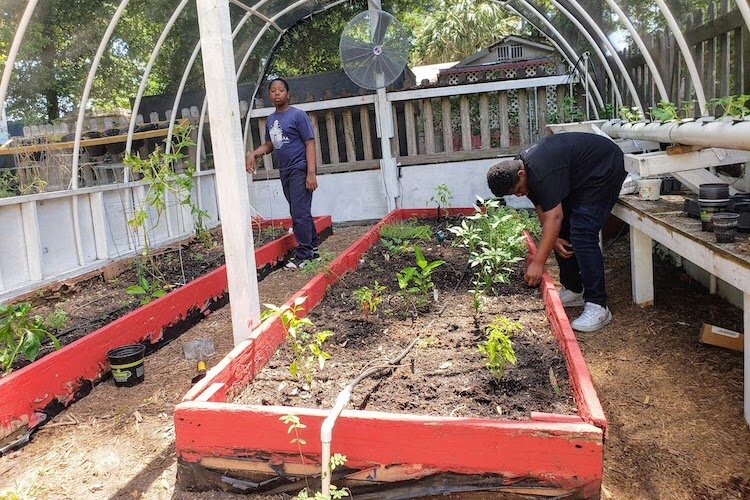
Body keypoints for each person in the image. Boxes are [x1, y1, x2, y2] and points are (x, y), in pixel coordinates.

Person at [486, 132, 626, 333]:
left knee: (583, 232)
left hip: (604, 167)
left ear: (521, 175)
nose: (518, 194)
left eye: (517, 190)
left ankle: (598, 305)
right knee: (561, 232)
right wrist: (554, 239)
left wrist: (538, 262)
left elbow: (554, 217)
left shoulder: (539, 170)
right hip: (581, 176)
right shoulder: (523, 169)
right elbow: (542, 208)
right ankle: (574, 288)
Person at [246, 78, 319, 269]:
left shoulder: (298, 116)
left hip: (300, 168)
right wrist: (254, 153)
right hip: (284, 170)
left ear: (288, 93)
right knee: (299, 209)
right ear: (269, 95)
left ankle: (305, 254)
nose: (277, 93)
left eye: (281, 90)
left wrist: (311, 172)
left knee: (299, 211)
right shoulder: (271, 120)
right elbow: (271, 144)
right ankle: (312, 247)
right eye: (273, 90)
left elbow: (309, 142)